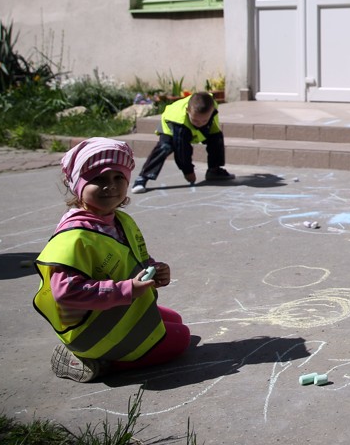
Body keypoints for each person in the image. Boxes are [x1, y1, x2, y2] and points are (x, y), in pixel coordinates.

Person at [32, 138, 190, 382]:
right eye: (99, 179)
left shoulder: (118, 220)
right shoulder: (74, 236)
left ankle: (108, 353)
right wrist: (128, 289)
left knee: (174, 319)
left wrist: (153, 270)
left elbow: (133, 257)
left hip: (113, 310)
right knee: (181, 338)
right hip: (90, 328)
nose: (111, 186)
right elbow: (65, 292)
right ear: (78, 185)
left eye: (119, 178)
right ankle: (95, 362)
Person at [132, 91, 234, 192]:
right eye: (196, 120)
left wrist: (211, 134)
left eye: (204, 121)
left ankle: (214, 170)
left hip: (189, 125)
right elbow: (181, 150)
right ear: (187, 111)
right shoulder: (179, 121)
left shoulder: (212, 106)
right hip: (172, 126)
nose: (200, 124)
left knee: (216, 137)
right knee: (165, 147)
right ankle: (142, 177)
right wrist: (188, 171)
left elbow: (213, 129)